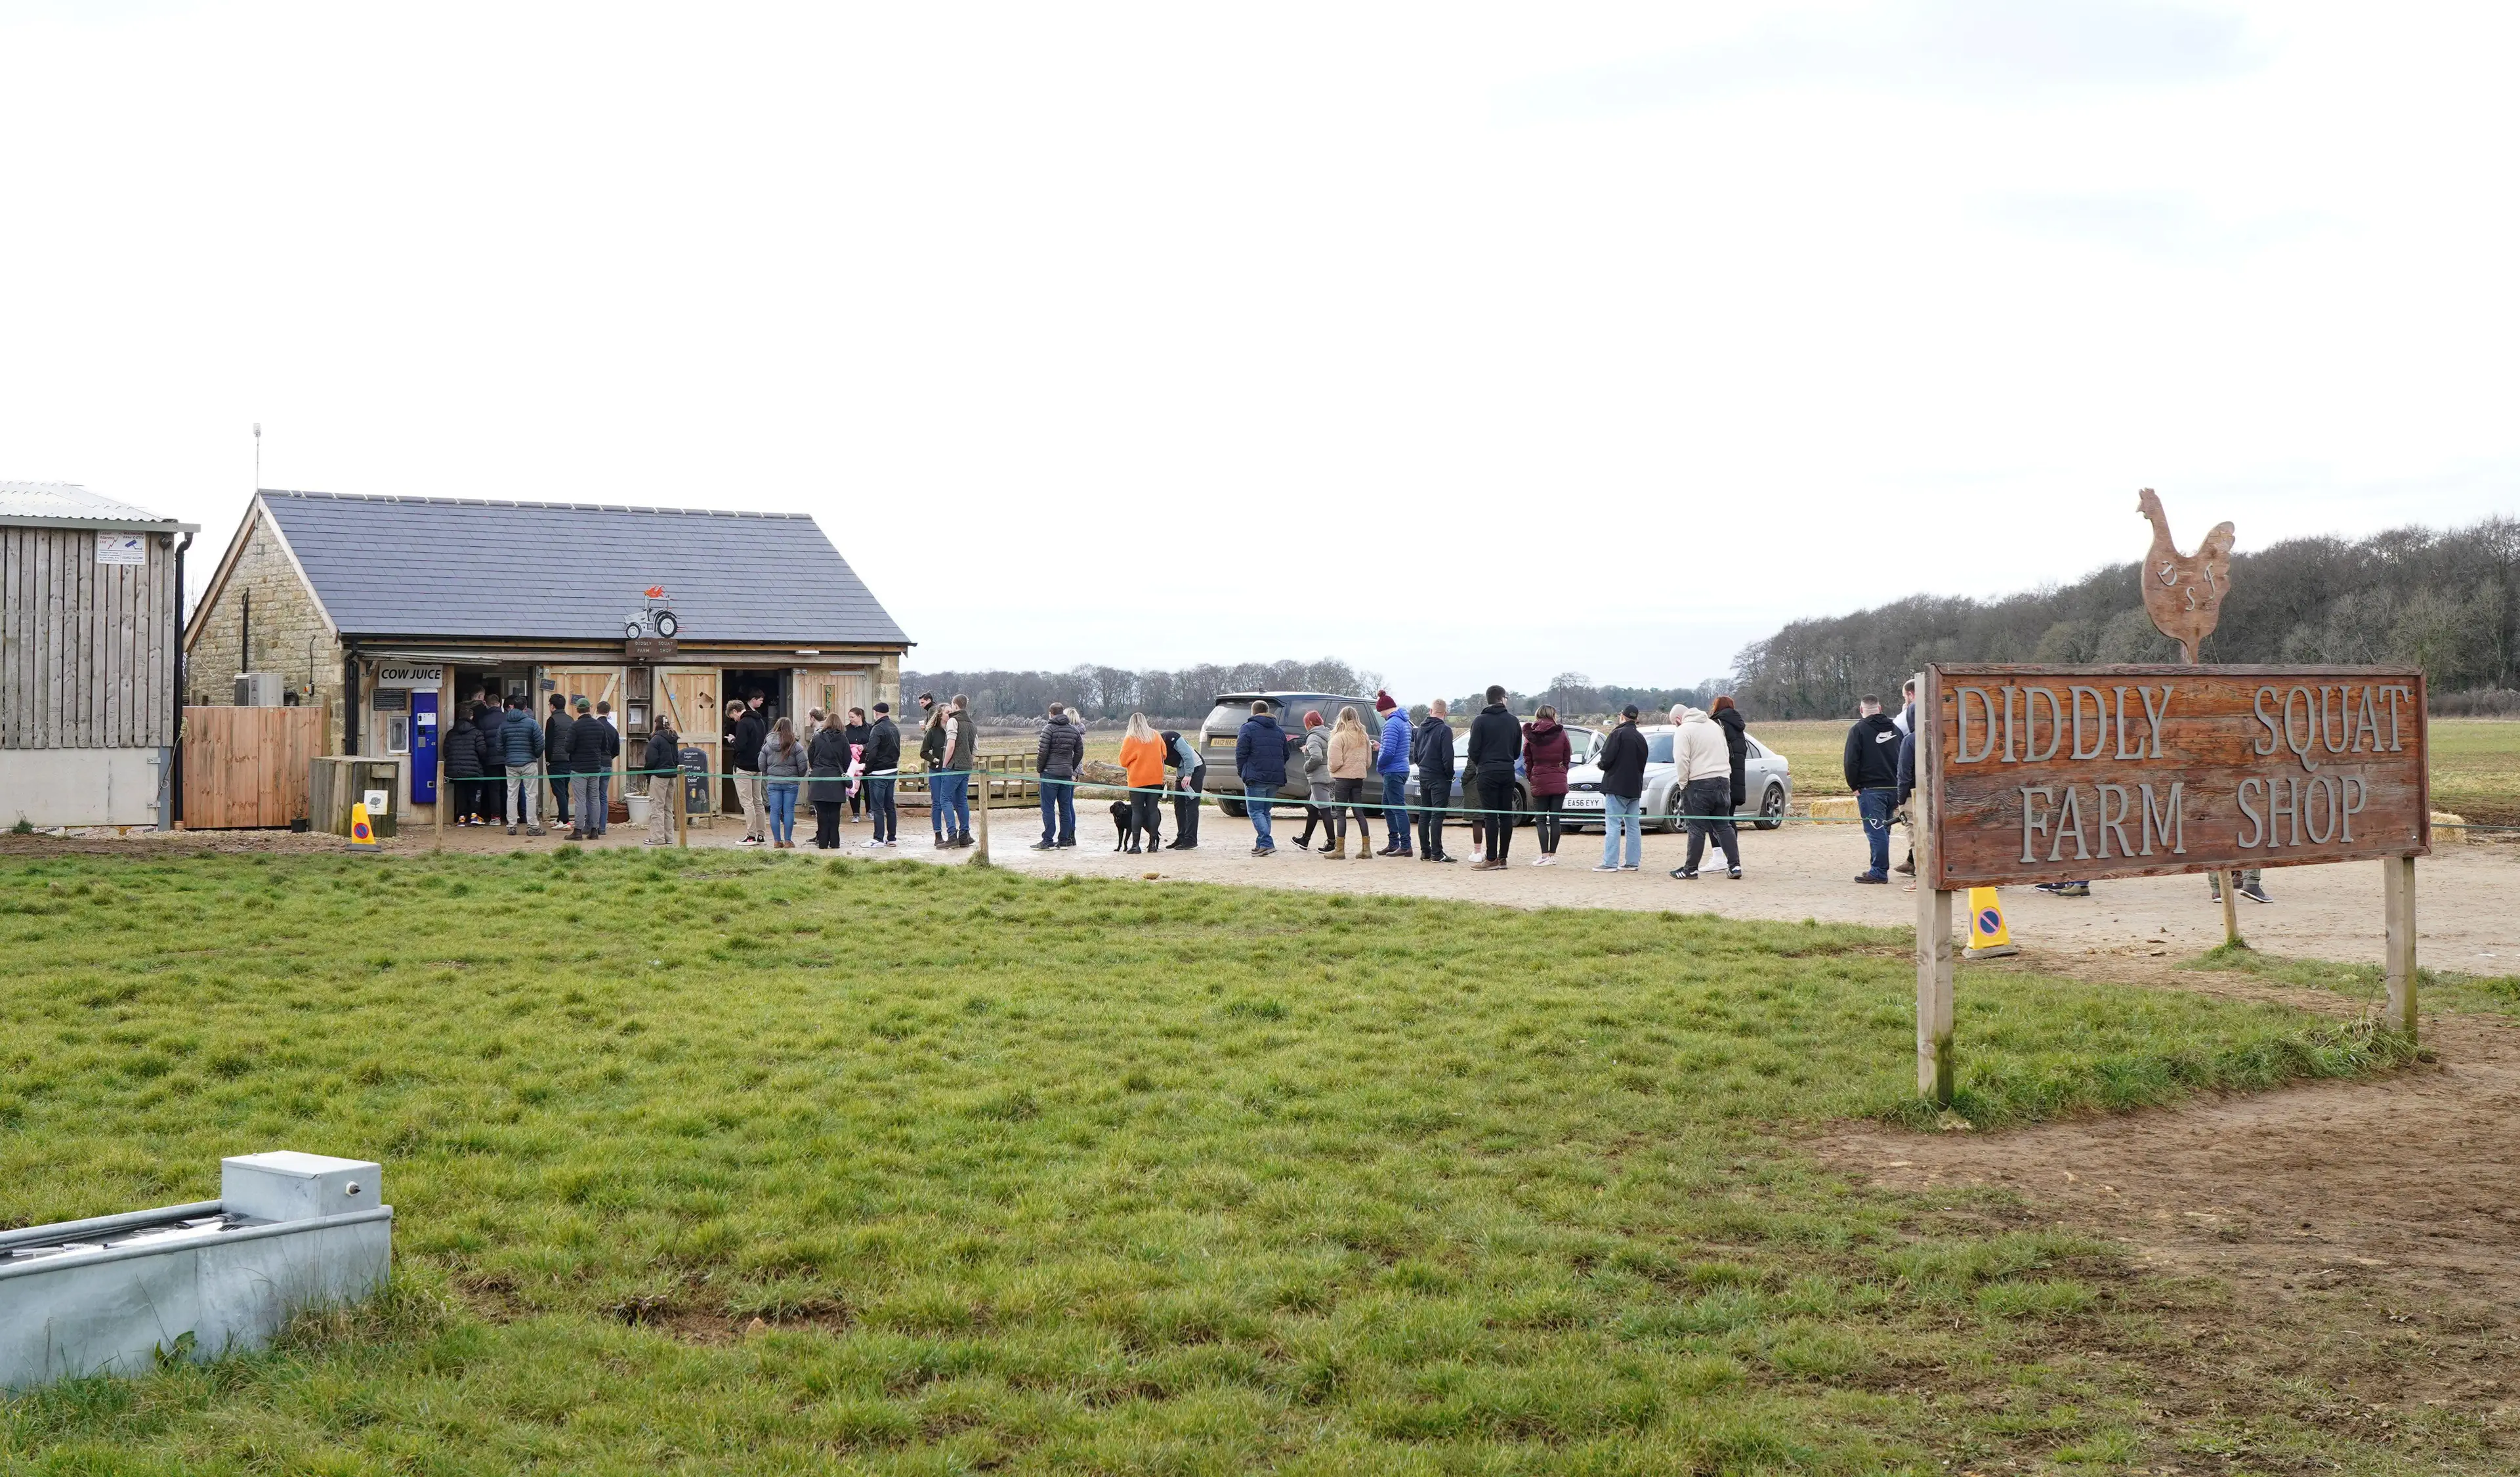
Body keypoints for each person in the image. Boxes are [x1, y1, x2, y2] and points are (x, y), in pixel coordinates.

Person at [1669, 704, 1741, 880]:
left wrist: (1683, 783)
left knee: (1696, 828)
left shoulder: (1684, 730)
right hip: (1723, 780)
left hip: (1698, 782)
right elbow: (1726, 753)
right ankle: (1735, 866)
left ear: (1678, 720)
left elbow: (1682, 759)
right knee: (1724, 826)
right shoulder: (1714, 726)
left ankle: (1691, 869)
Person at [1844, 693, 1902, 884]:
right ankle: (1878, 867)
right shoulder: (1896, 729)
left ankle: (1879, 870)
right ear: (1880, 708)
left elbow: (1851, 760)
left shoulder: (1858, 730)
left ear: (1862, 710)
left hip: (1872, 788)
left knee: (1875, 829)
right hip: (1894, 786)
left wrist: (1854, 785)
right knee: (1884, 829)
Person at [1464, 686, 1521, 870]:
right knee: (1506, 815)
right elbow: (1516, 751)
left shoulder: (1480, 721)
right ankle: (1503, 858)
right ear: (1502, 699)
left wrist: (1483, 763)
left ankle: (1491, 858)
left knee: (1490, 816)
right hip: (1507, 770)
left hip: (1487, 772)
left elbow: (1473, 750)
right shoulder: (1513, 721)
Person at [1595, 705, 1648, 872]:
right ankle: (1632, 862)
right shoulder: (1641, 738)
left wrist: (1601, 765)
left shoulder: (1617, 734)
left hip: (1616, 785)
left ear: (1622, 717)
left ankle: (1610, 862)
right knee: (1633, 826)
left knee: (1613, 824)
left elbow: (1606, 758)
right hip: (1634, 787)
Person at [1235, 698, 1286, 856]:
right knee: (1265, 812)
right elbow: (1286, 754)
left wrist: (1242, 771)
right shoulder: (1279, 730)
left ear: (1253, 712)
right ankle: (1261, 843)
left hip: (1256, 776)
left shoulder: (1248, 728)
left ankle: (1266, 842)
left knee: (1255, 812)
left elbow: (1240, 753)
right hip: (1275, 778)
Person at [1522, 704, 1572, 866]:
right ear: (1553, 715)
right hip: (1558, 776)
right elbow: (1567, 756)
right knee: (1556, 819)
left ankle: (1543, 855)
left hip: (1539, 778)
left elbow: (1527, 758)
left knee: (1541, 820)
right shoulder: (1561, 733)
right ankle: (1552, 855)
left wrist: (1531, 775)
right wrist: (1562, 771)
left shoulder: (1531, 735)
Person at [1324, 705, 1375, 861]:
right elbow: (1368, 761)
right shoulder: (1364, 736)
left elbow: (1334, 762)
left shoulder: (1339, 737)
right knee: (1359, 813)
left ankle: (1340, 849)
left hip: (1342, 779)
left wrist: (1335, 770)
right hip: (1358, 778)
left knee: (1341, 813)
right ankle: (1366, 849)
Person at [1034, 702, 1085, 849]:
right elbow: (1079, 752)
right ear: (1062, 713)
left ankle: (1048, 839)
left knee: (1048, 808)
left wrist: (1040, 769)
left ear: (1051, 713)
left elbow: (1042, 752)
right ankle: (1064, 840)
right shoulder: (1074, 731)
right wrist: (1071, 767)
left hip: (1050, 774)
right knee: (1065, 808)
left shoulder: (1048, 729)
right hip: (1066, 774)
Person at [1413, 700, 1457, 862]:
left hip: (1424, 774)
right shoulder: (1444, 730)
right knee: (1437, 815)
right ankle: (1437, 853)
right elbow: (1448, 756)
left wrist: (1423, 766)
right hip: (1439, 776)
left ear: (1431, 710)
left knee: (1424, 813)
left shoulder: (1420, 730)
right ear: (1445, 713)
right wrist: (1449, 774)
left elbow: (1416, 755)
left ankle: (1426, 850)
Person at [495, 695, 545, 836]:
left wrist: (508, 754)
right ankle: (533, 826)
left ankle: (511, 826)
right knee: (531, 795)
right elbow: (540, 743)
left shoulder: (504, 724)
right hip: (528, 762)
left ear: (512, 706)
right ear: (525, 707)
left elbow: (499, 747)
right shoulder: (532, 723)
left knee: (511, 794)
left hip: (511, 763)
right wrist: (534, 755)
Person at [1118, 712, 1167, 853]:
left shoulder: (1130, 739)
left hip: (1137, 780)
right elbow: (1164, 753)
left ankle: (1136, 845)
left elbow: (1123, 761)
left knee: (1137, 811)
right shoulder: (1156, 735)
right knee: (1152, 810)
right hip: (1155, 778)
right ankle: (1152, 845)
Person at [1372, 691, 1413, 857]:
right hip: (1402, 767)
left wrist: (1380, 765)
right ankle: (1394, 843)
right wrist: (1380, 747)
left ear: (1384, 710)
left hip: (1393, 770)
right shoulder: (1404, 722)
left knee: (1397, 808)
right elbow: (1395, 747)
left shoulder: (1391, 724)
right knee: (1388, 806)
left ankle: (1405, 844)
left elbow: (1389, 752)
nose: (1380, 715)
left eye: (1380, 712)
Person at [564, 696, 610, 839]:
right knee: (595, 799)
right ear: (589, 709)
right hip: (595, 767)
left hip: (579, 768)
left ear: (577, 710)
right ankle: (595, 830)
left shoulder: (575, 726)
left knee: (580, 800)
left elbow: (568, 747)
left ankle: (578, 830)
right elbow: (604, 747)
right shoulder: (599, 726)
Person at [807, 710, 852, 849]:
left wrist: (817, 768)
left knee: (821, 813)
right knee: (834, 813)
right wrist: (841, 770)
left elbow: (811, 755)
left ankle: (823, 843)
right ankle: (835, 842)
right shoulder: (843, 739)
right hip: (836, 778)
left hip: (819, 778)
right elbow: (847, 759)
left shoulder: (817, 737)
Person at [728, 694, 770, 846]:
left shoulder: (744, 723)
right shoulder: (761, 722)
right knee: (758, 801)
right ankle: (761, 835)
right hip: (757, 766)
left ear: (735, 711)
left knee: (747, 803)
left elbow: (740, 746)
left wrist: (732, 740)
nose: (734, 720)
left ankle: (751, 835)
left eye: (732, 717)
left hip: (744, 767)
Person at [759, 716, 805, 849]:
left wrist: (769, 774)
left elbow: (761, 765)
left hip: (773, 782)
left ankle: (777, 841)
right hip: (791, 782)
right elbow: (803, 765)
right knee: (789, 811)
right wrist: (798, 776)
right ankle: (788, 841)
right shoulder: (795, 745)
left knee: (774, 811)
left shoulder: (767, 745)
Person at [862, 702, 902, 847]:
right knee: (889, 805)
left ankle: (878, 838)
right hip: (892, 770)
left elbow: (872, 751)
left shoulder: (877, 729)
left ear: (876, 713)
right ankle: (892, 838)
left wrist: (867, 768)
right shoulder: (894, 728)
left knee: (877, 807)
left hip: (878, 772)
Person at [1294, 710, 1335, 850]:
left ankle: (1332, 842)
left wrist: (1306, 767)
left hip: (1319, 778)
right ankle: (1305, 839)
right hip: (1329, 774)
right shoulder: (1328, 734)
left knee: (1325, 811)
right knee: (1313, 809)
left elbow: (1317, 757)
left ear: (1309, 723)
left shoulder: (1312, 737)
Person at [641, 711, 681, 846]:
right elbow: (677, 758)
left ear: (656, 724)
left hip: (659, 775)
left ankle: (657, 838)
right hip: (671, 775)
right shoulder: (673, 738)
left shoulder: (656, 739)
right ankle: (669, 837)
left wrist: (647, 772)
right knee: (668, 808)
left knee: (656, 807)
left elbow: (651, 759)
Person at [915, 693, 950, 846]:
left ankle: (953, 833)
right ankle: (938, 834)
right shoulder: (932, 732)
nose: (950, 715)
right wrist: (934, 760)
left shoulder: (953, 730)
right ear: (940, 715)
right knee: (937, 803)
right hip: (936, 770)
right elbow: (923, 752)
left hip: (950, 770)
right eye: (948, 712)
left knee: (948, 802)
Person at [443, 702, 485, 824]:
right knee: (475, 791)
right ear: (472, 717)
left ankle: (462, 817)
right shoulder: (477, 732)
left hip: (455, 770)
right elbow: (482, 751)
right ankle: (474, 816)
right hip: (474, 769)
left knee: (460, 792)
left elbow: (446, 751)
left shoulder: (451, 734)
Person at [1163, 727, 1204, 849]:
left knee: (1191, 804)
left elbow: (1187, 756)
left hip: (1195, 769)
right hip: (1181, 773)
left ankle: (1191, 839)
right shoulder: (1154, 748)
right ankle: (1181, 837)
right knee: (1178, 804)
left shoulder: (1172, 738)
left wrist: (1189, 775)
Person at [1710, 695, 1748, 819]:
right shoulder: (1738, 726)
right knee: (1729, 819)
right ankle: (1733, 839)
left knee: (1718, 822)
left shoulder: (1717, 724)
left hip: (1721, 776)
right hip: (1737, 778)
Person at [543, 693, 575, 828]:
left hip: (556, 760)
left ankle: (565, 820)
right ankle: (561, 818)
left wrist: (548, 760)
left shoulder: (552, 720)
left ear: (552, 706)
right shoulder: (571, 719)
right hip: (568, 760)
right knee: (564, 790)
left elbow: (549, 743)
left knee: (559, 791)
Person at [591, 700, 621, 832]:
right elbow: (616, 751)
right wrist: (608, 758)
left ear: (597, 711)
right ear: (608, 713)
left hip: (595, 763)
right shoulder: (613, 730)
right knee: (603, 796)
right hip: (607, 764)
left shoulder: (595, 727)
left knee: (592, 795)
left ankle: (593, 825)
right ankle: (602, 827)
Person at [843, 707, 873, 820]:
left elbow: (874, 743)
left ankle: (870, 810)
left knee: (868, 787)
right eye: (849, 717)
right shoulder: (846, 730)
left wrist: (864, 747)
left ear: (860, 716)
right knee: (854, 788)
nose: (851, 719)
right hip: (853, 763)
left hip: (866, 762)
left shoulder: (870, 728)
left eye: (853, 717)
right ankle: (856, 813)